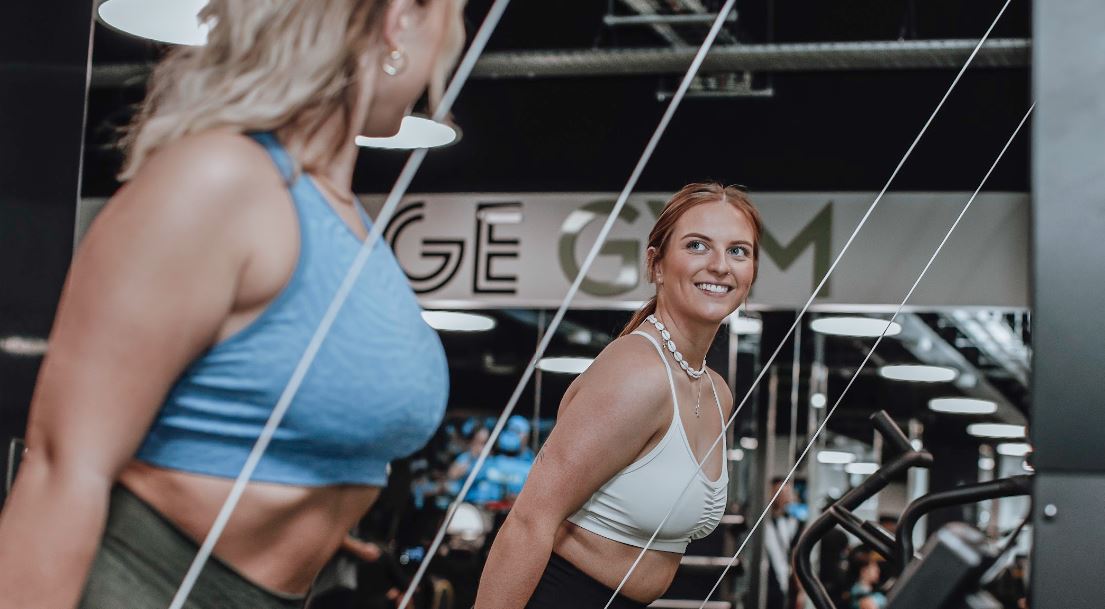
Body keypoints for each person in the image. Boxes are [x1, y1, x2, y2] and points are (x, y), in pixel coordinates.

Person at [0, 1, 465, 608]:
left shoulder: (343, 218)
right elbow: (62, 470)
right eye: (452, 18)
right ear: (399, 18)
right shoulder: (222, 178)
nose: (451, 51)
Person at [474, 183, 763, 608]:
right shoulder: (637, 371)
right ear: (656, 264)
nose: (720, 265)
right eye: (698, 245)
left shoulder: (716, 392)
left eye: (739, 251)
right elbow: (529, 521)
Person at [764, 476, 805, 609]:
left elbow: (795, 554)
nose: (783, 498)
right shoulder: (762, 523)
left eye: (786, 493)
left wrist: (800, 590)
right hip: (767, 581)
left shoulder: (795, 523)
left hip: (786, 582)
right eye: (779, 493)